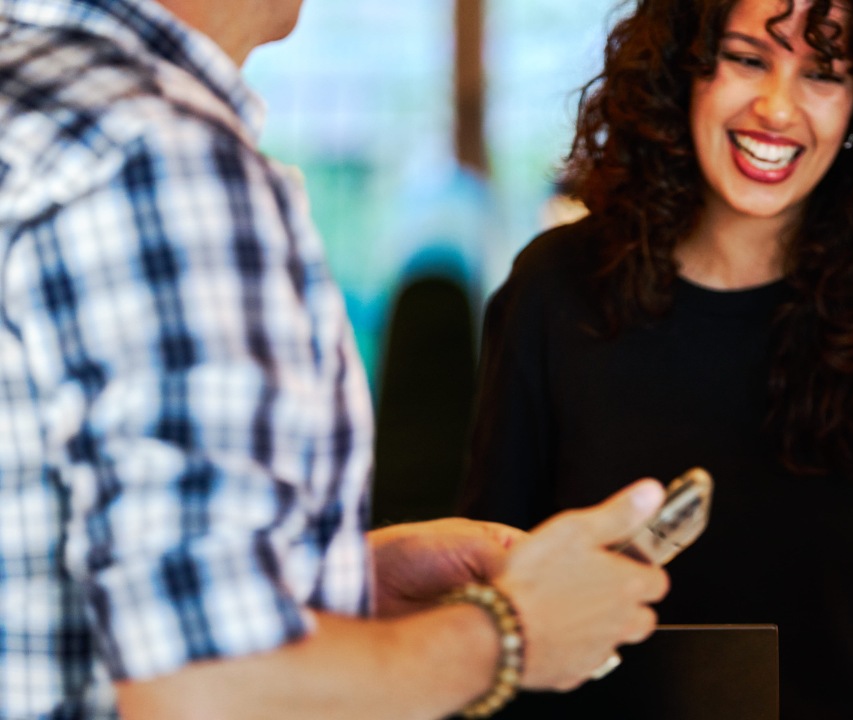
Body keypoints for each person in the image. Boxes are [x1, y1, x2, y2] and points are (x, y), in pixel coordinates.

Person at [0, 0, 668, 718]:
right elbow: (211, 688)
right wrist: (509, 634)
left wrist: (334, 580)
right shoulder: (161, 161)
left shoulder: (36, 101)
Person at [461, 0, 853, 717]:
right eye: (746, 59)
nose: (776, 108)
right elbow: (492, 591)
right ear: (684, 69)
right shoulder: (555, 293)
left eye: (823, 74)